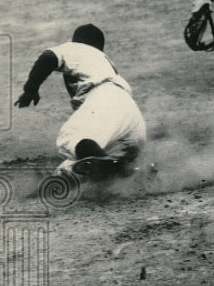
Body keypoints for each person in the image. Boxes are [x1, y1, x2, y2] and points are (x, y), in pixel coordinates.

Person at [15, 24, 147, 179]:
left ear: (77, 41)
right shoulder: (105, 63)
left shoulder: (77, 48)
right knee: (75, 165)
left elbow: (48, 57)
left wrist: (30, 89)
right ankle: (133, 172)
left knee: (69, 138)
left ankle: (112, 167)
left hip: (106, 99)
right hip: (133, 119)